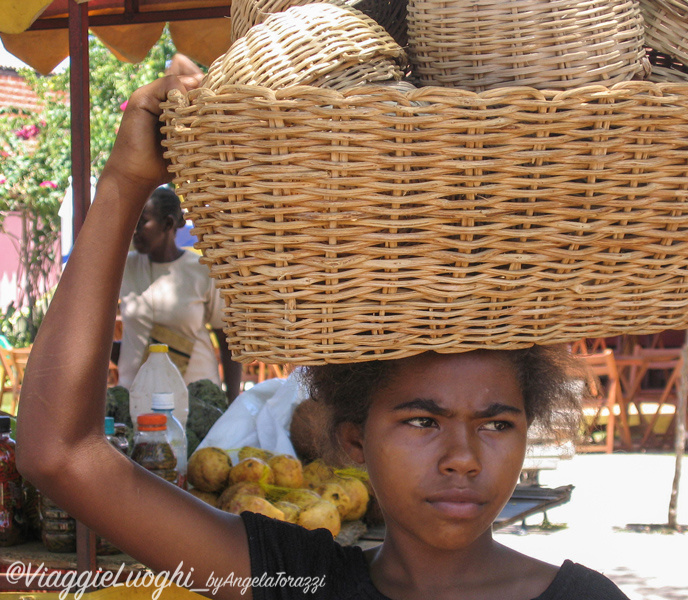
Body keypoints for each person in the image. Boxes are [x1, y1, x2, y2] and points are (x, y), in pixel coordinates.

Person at [16, 75, 629, 600]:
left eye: (498, 424)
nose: (463, 457)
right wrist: (125, 181)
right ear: (353, 441)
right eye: (422, 421)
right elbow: (59, 455)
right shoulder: (299, 581)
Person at [117, 185, 241, 403]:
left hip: (196, 401)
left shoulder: (202, 270)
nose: (134, 230)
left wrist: (232, 403)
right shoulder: (123, 270)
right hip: (137, 401)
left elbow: (228, 339)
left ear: (168, 224)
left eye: (142, 223)